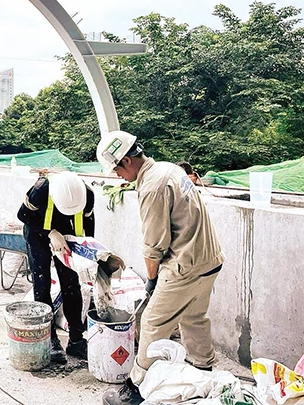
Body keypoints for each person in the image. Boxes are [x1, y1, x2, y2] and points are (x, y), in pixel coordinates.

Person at [97, 131, 225, 405]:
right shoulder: (169, 170)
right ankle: (202, 371)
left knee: (153, 322)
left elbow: (155, 245)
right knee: (194, 317)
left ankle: (136, 389)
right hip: (209, 261)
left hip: (185, 266)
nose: (117, 176)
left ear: (127, 161)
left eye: (116, 169)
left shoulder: (152, 187)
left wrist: (152, 281)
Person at [17, 171, 94, 364]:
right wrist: (50, 232)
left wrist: (90, 252)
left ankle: (76, 339)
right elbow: (23, 215)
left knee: (71, 285)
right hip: (38, 232)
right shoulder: (41, 189)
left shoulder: (87, 194)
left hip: (67, 237)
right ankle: (50, 339)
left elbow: (89, 225)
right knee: (42, 285)